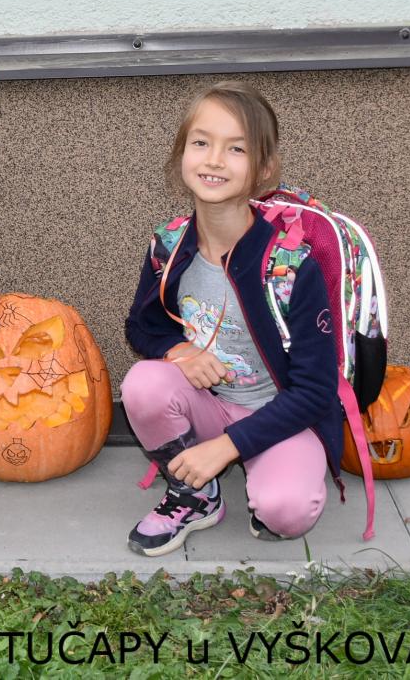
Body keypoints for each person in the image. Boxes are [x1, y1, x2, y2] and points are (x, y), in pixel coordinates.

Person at [121, 81, 342, 557]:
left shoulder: (289, 266)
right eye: (201, 142)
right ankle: (195, 496)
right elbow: (141, 326)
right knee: (142, 384)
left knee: (286, 513)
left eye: (236, 148)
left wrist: (227, 447)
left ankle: (270, 470)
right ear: (182, 153)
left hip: (281, 415)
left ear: (264, 168)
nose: (215, 160)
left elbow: (315, 391)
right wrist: (178, 350)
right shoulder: (168, 245)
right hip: (208, 405)